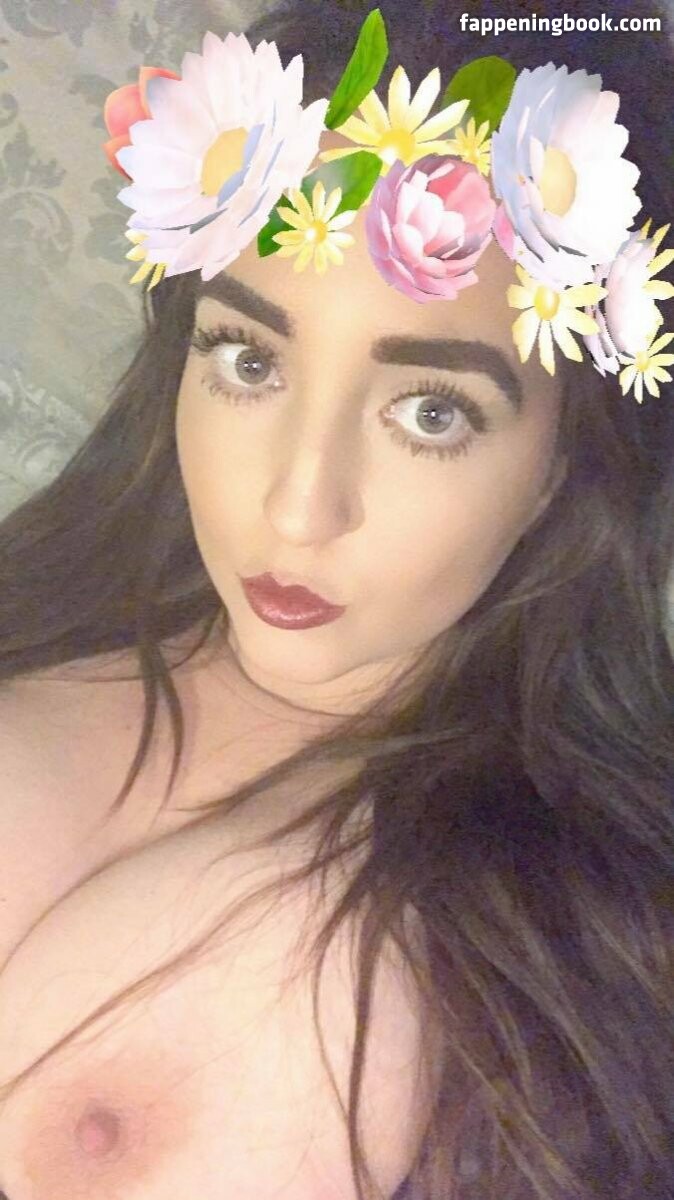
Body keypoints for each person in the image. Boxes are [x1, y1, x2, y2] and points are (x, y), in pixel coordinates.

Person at [0, 1, 672, 1197]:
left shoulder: (571, 961)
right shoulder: (38, 609)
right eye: (249, 360)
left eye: (430, 412)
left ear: (561, 472)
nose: (297, 509)